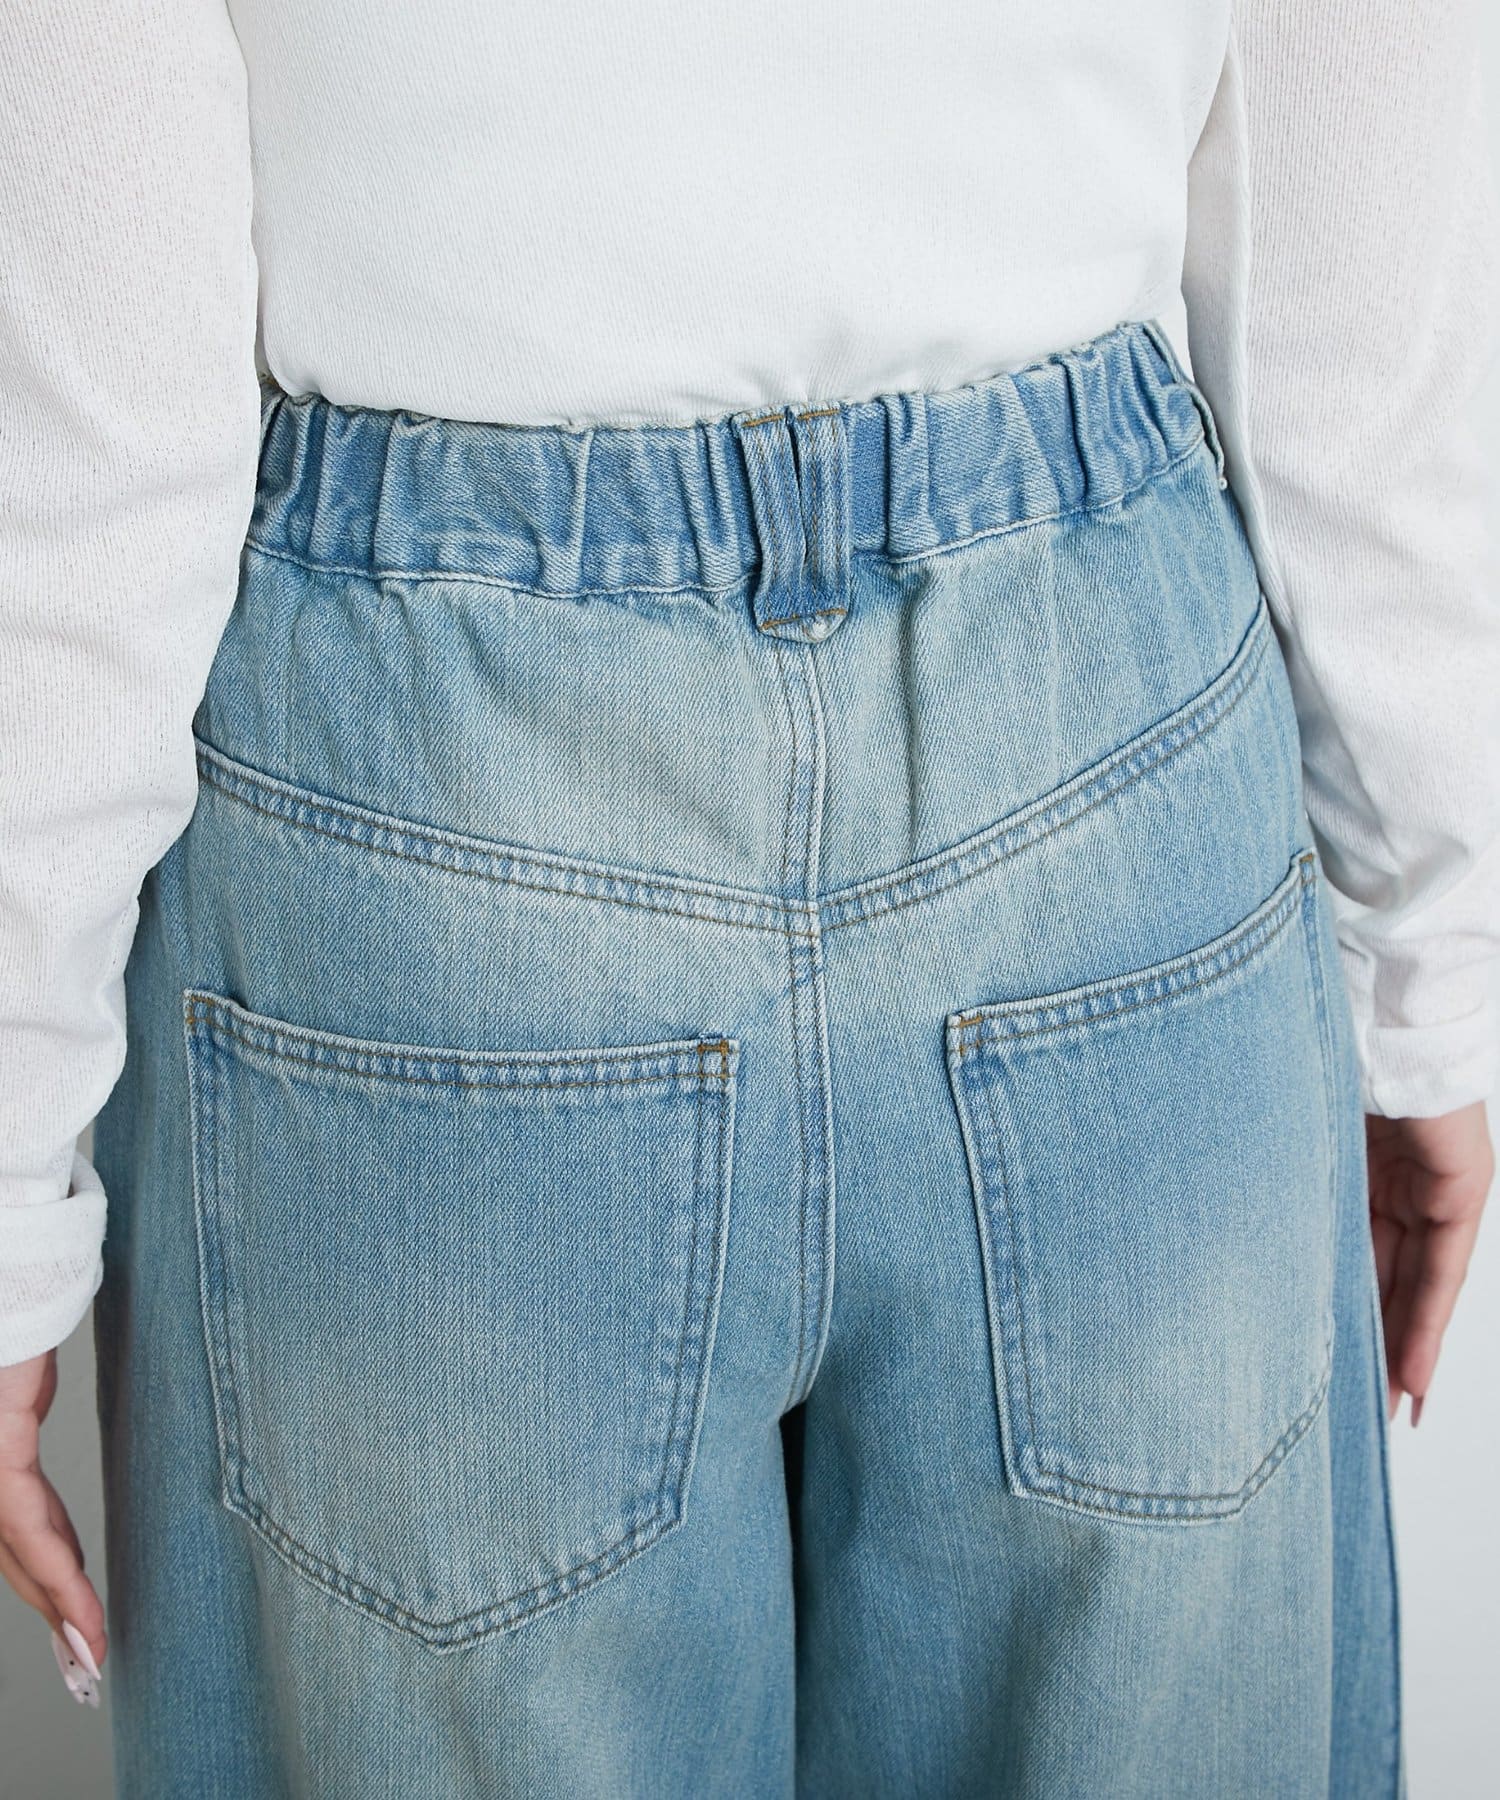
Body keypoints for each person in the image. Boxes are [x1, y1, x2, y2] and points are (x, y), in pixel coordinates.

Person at [1, 1, 1495, 1794]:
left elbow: (96, 456)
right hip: (1093, 763)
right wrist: (1427, 950)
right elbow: (1356, 233)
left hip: (434, 825)